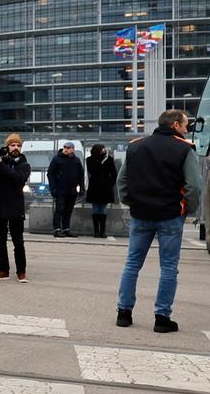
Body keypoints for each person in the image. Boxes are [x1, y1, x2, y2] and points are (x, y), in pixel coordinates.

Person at [115, 109, 204, 332]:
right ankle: (162, 318)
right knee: (168, 268)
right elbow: (194, 185)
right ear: (175, 125)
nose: (186, 129)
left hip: (141, 213)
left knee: (132, 264)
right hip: (170, 215)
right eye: (185, 125)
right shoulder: (184, 148)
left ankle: (124, 313)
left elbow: (122, 180)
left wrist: (130, 201)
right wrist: (188, 210)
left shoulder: (136, 145)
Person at [0, 133, 32, 282]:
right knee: (0, 242)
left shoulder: (24, 165)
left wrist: (0, 164)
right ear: (8, 147)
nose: (15, 148)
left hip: (15, 207)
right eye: (12, 145)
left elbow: (17, 179)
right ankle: (3, 269)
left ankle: (21, 272)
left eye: (18, 145)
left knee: (18, 242)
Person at [48, 142, 84, 237]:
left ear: (73, 149)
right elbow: (50, 173)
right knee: (59, 209)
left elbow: (81, 175)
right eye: (64, 147)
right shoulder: (57, 159)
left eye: (68, 148)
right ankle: (57, 229)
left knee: (68, 210)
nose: (66, 149)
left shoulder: (76, 160)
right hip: (60, 189)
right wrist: (53, 188)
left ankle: (66, 228)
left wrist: (82, 188)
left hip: (72, 190)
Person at [85, 143, 117, 238]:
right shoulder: (90, 160)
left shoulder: (109, 159)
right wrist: (100, 161)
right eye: (102, 149)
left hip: (105, 187)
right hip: (95, 186)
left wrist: (110, 183)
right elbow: (93, 171)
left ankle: (102, 231)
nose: (104, 150)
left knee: (103, 209)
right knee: (95, 208)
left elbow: (114, 173)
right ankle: (96, 231)